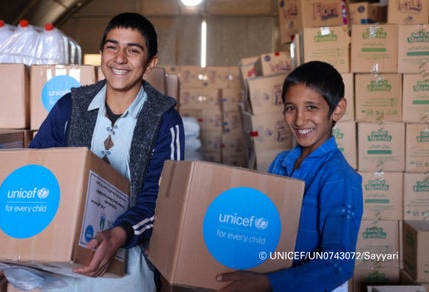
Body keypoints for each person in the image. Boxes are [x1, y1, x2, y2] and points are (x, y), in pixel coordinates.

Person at [29, 12, 185, 291]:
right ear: (101, 54)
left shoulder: (164, 120)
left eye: (133, 50)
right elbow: (34, 170)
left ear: (151, 63)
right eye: (112, 47)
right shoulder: (70, 107)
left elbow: (162, 202)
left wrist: (118, 235)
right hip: (61, 268)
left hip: (126, 271)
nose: (120, 58)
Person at [216, 61, 363, 292]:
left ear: (337, 109)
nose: (300, 120)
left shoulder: (339, 178)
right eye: (290, 108)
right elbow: (259, 226)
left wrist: (267, 282)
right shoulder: (280, 163)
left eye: (311, 107)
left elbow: (338, 264)